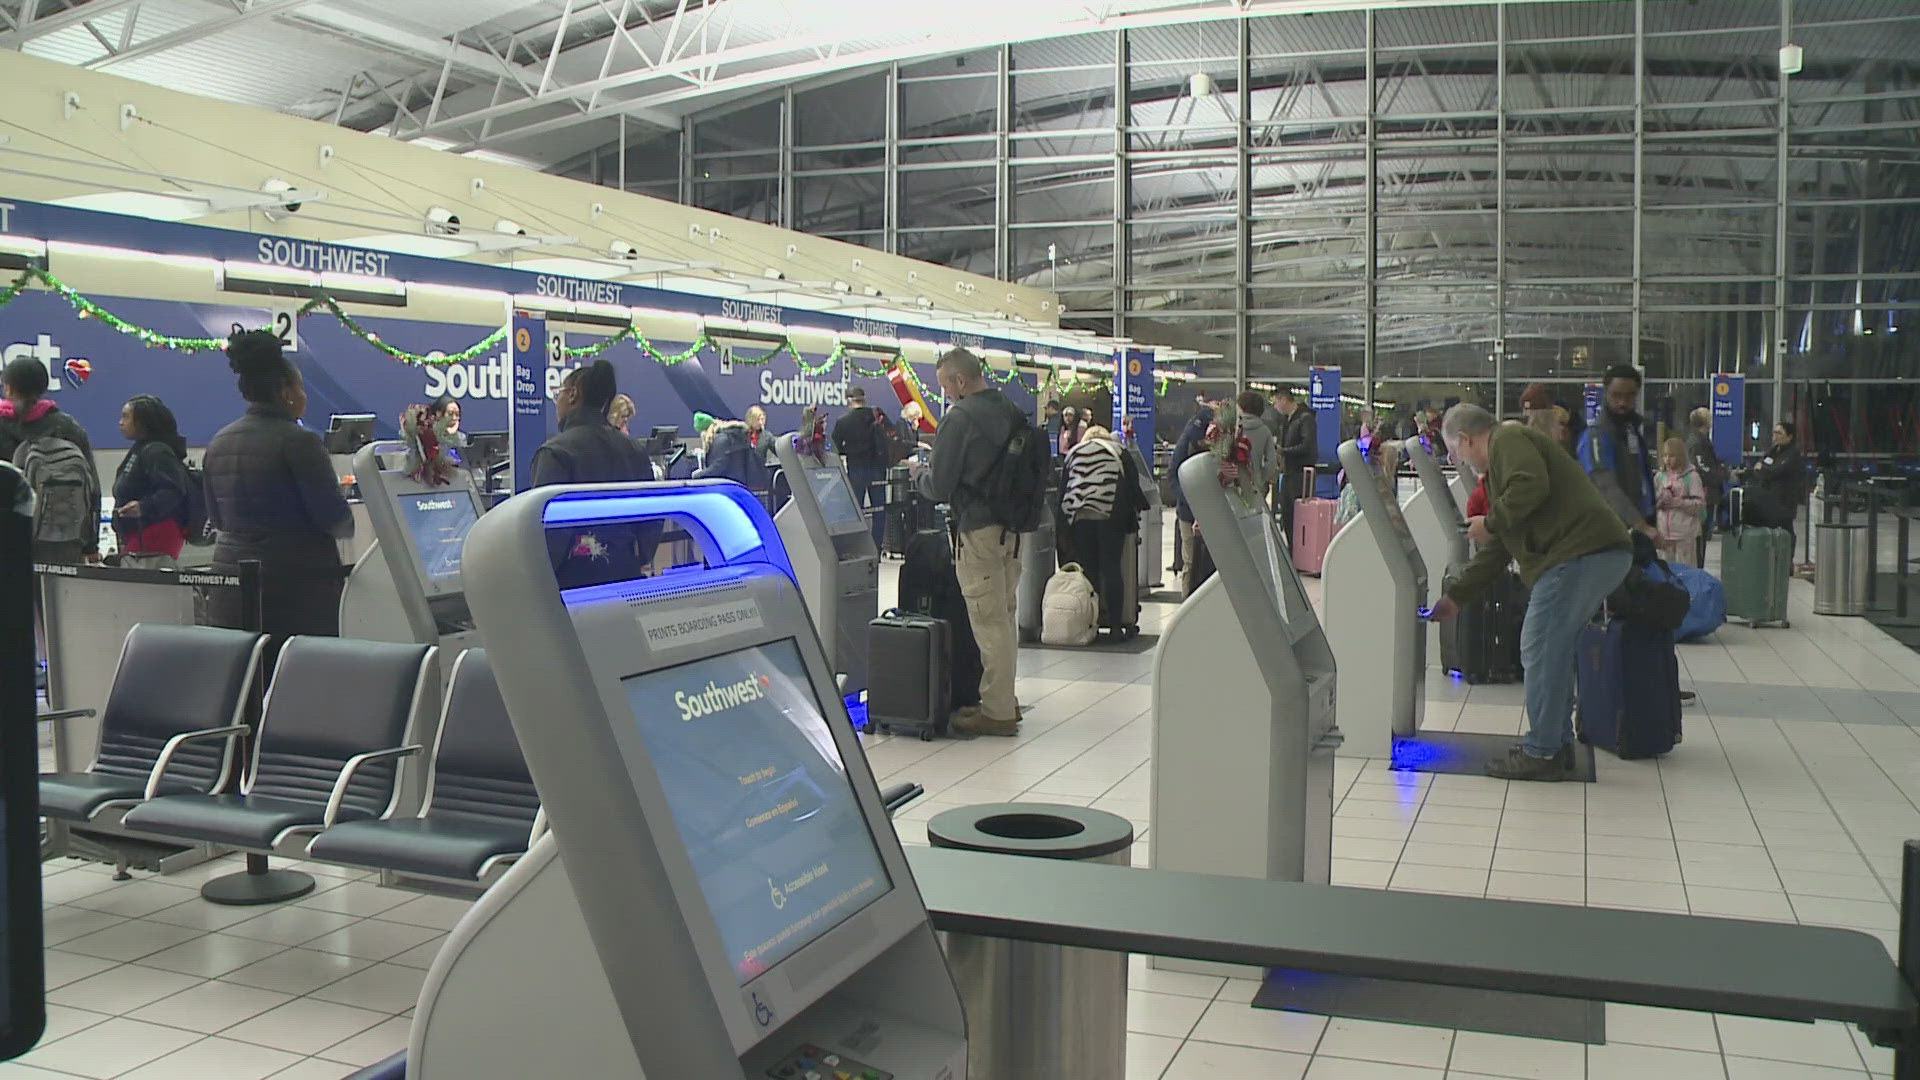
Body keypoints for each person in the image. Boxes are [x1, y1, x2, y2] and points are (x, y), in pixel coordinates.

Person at [1429, 404, 1632, 781]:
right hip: (1590, 553)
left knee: (1538, 646)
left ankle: (1543, 752)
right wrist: (1456, 596)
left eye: (1455, 452)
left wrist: (1488, 522)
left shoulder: (1509, 439)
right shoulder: (1501, 469)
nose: (1459, 460)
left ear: (1467, 439)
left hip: (1579, 553)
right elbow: (1502, 544)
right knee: (1551, 650)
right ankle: (1555, 743)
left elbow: (1529, 487)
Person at [203, 331, 354, 640]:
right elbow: (335, 519)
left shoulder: (219, 441)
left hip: (231, 583)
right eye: (301, 387)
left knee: (243, 680)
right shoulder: (300, 441)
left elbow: (216, 518)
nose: (304, 395)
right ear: (285, 391)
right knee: (296, 681)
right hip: (294, 590)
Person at [911, 348, 1028, 738]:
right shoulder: (1009, 409)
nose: (944, 393)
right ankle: (1004, 698)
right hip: (1012, 529)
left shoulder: (960, 419)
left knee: (987, 619)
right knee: (1005, 614)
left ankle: (996, 712)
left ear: (960, 381)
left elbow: (940, 484)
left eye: (945, 385)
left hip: (977, 530)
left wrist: (919, 476)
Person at [532, 360, 659, 586]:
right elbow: (651, 519)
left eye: (558, 393)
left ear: (573, 395)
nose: (557, 402)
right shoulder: (634, 449)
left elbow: (548, 537)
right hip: (627, 580)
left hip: (574, 587)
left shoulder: (556, 452)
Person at [0, 356, 101, 564]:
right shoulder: (67, 426)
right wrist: (91, 545)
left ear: (8, 389)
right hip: (61, 540)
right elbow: (92, 488)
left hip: (8, 540)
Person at [1061, 425, 1136, 633]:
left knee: (1088, 570)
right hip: (1109, 514)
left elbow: (1064, 489)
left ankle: (1090, 623)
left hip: (1079, 516)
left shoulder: (1074, 453)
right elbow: (1133, 486)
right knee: (1111, 567)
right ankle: (1114, 626)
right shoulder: (1118, 451)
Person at [1581, 364, 1660, 552]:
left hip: (1637, 530)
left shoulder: (1631, 431)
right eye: (1616, 395)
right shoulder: (1597, 436)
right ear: (1606, 394)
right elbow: (1605, 485)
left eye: (1629, 396)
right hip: (1611, 534)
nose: (1623, 402)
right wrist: (1641, 525)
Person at [111, 395, 193, 570]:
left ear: (142, 422)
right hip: (139, 534)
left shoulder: (157, 451)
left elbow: (173, 491)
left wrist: (144, 507)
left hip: (154, 533)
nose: (120, 422)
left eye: (125, 416)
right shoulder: (140, 449)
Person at [832, 386, 890, 547]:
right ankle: (876, 547)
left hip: (856, 468)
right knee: (879, 510)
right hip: (877, 469)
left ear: (848, 401)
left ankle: (857, 546)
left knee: (856, 511)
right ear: (864, 399)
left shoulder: (843, 421)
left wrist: (848, 450)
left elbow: (835, 447)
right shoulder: (875, 415)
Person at [1169, 400, 1215, 575]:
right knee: (1190, 561)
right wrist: (1189, 501)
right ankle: (1189, 598)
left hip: (1202, 509)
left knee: (1198, 562)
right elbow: (1173, 476)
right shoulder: (1188, 444)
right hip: (1189, 511)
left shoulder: (1211, 447)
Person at [1740, 421, 1806, 541]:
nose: (1775, 436)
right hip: (1768, 498)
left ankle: (1787, 555)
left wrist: (1764, 470)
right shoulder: (1774, 450)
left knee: (1785, 530)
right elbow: (1761, 466)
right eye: (1774, 433)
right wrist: (1761, 470)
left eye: (1779, 433)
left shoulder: (1792, 454)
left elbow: (1775, 471)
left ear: (1789, 436)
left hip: (1784, 500)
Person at [1655, 437, 1706, 568]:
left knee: (1687, 571)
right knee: (1665, 570)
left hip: (1685, 534)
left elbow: (1700, 504)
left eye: (1671, 456)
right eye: (1665, 456)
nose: (1667, 460)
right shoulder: (1659, 477)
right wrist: (1659, 501)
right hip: (1664, 534)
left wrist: (1678, 502)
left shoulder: (1692, 476)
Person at [1686, 406, 1728, 564]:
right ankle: (1698, 565)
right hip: (1704, 492)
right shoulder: (1697, 442)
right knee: (1700, 534)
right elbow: (1702, 468)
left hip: (1707, 491)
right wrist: (1720, 476)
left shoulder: (1702, 440)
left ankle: (1699, 563)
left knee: (1703, 534)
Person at [1273, 387, 1316, 538]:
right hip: (1288, 473)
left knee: (1298, 517)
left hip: (1300, 475)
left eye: (1276, 402)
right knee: (1287, 515)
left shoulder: (1305, 419)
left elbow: (1308, 446)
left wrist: (1284, 451)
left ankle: (1299, 552)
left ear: (1283, 399)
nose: (1275, 407)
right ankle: (1291, 551)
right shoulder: (1287, 421)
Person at [1235, 391, 1280, 511]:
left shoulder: (1234, 429)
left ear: (1242, 407)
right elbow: (1271, 462)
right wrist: (1260, 478)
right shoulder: (1265, 431)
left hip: (1233, 483)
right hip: (1255, 485)